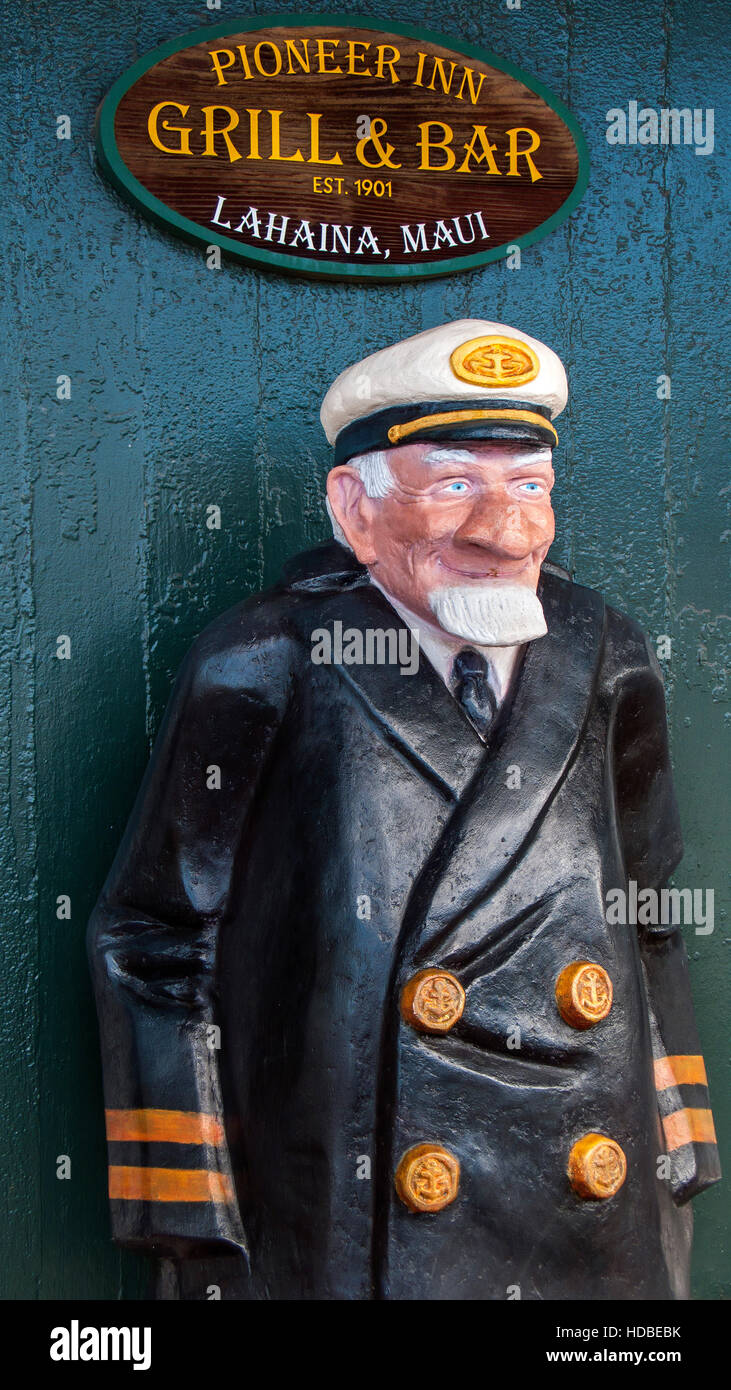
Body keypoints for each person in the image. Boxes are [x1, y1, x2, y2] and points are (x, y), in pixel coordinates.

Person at [89, 319, 720, 1300]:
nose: (503, 531)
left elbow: (647, 906)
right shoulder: (263, 660)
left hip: (588, 1193)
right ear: (355, 506)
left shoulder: (603, 650)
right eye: (455, 486)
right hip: (344, 1189)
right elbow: (154, 934)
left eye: (528, 487)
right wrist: (189, 1206)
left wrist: (677, 1133)